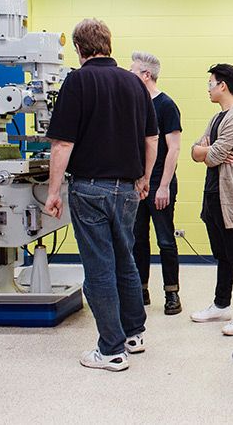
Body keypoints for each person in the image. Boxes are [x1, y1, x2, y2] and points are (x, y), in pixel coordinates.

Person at [44, 19, 158, 372]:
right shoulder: (134, 82)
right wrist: (145, 178)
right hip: (127, 189)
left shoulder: (77, 81)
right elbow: (151, 139)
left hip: (90, 188)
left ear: (79, 49)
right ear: (109, 43)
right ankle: (134, 334)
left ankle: (110, 349)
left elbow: (63, 142)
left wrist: (52, 191)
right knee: (124, 258)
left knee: (99, 268)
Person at [190, 63, 233, 336]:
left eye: (210, 83)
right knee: (222, 254)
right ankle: (221, 304)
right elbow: (195, 152)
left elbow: (212, 157)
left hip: (230, 195)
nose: (208, 88)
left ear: (223, 86)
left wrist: (206, 151)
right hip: (212, 192)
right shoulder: (217, 117)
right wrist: (205, 150)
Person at [130, 52, 183, 315]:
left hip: (160, 183)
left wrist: (163, 186)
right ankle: (141, 289)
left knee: (165, 240)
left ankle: (172, 293)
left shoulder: (166, 105)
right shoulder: (133, 104)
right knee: (138, 238)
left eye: (133, 71)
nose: (129, 76)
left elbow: (173, 149)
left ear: (146, 75)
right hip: (138, 184)